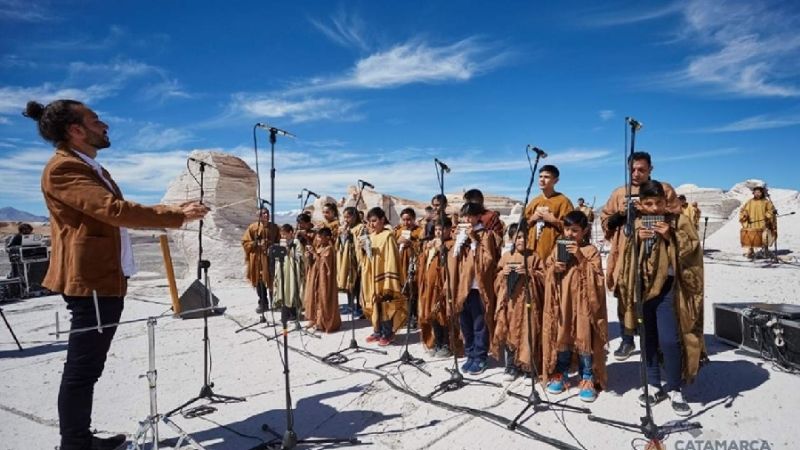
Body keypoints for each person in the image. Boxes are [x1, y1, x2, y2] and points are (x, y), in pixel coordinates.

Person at [25, 99, 208, 450]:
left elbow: (117, 211)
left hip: (104, 279)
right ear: (75, 131)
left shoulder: (88, 166)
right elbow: (113, 211)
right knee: (83, 369)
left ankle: (79, 439)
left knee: (88, 367)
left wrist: (174, 211)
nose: (104, 125)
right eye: (95, 120)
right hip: (91, 282)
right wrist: (176, 216)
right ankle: (75, 444)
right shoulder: (64, 169)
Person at [616, 180, 705, 417]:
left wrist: (670, 237)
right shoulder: (636, 224)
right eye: (649, 204)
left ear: (666, 202)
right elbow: (627, 259)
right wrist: (637, 240)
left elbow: (693, 252)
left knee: (669, 340)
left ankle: (675, 388)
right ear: (642, 205)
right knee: (648, 339)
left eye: (658, 203)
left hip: (668, 290)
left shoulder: (679, 221)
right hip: (643, 290)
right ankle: (654, 385)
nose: (654, 209)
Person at [600, 151, 680, 361]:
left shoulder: (663, 189)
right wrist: (621, 214)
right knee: (626, 294)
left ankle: (658, 344)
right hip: (626, 253)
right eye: (632, 170)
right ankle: (627, 339)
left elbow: (676, 217)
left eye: (641, 170)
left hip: (656, 253)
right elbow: (606, 222)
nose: (636, 174)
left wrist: (648, 212)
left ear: (651, 169)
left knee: (655, 295)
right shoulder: (620, 193)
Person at [541, 211, 608, 403]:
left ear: (584, 230)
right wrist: (555, 269)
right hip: (563, 302)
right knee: (563, 336)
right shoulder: (557, 248)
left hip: (584, 304)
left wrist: (579, 256)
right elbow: (547, 269)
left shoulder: (591, 250)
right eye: (567, 229)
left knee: (584, 336)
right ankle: (561, 372)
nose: (570, 234)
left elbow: (597, 277)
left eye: (575, 231)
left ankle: (587, 376)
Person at [491, 223, 545, 382]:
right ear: (511, 238)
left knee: (529, 333)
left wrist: (530, 273)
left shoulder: (534, 256)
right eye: (518, 237)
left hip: (528, 303)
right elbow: (496, 277)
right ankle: (511, 366)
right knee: (510, 333)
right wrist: (503, 274)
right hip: (510, 304)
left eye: (524, 237)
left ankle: (528, 367)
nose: (521, 240)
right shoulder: (506, 256)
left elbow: (544, 277)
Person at [451, 202, 500, 375]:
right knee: (465, 323)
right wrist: (456, 242)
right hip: (463, 287)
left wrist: (474, 240)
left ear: (479, 216)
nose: (466, 220)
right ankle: (470, 353)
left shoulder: (486, 235)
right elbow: (454, 262)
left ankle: (480, 357)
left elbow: (488, 261)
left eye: (470, 216)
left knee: (480, 323)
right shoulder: (460, 235)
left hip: (478, 287)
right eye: (464, 216)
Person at [360, 207, 407, 346]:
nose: (372, 224)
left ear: (382, 220)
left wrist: (389, 281)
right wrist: (363, 250)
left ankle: (387, 333)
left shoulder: (388, 236)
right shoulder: (372, 236)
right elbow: (367, 259)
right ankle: (377, 330)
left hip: (385, 277)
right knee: (375, 304)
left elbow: (391, 258)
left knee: (386, 305)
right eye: (370, 222)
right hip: (372, 276)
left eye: (374, 221)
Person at [417, 217, 460, 357]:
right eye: (436, 229)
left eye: (441, 229)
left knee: (443, 315)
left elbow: (451, 264)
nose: (438, 232)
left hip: (442, 287)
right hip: (430, 287)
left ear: (448, 230)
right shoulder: (431, 243)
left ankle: (447, 345)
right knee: (433, 315)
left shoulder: (452, 244)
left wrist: (441, 248)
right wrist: (426, 250)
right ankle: (438, 342)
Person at [524, 165, 574, 260]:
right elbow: (523, 226)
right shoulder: (534, 201)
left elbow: (572, 228)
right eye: (540, 176)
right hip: (533, 252)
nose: (542, 180)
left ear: (556, 180)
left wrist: (553, 220)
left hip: (554, 251)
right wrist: (532, 219)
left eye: (546, 177)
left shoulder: (563, 201)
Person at [242, 208, 280, 314]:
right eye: (264, 213)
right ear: (259, 216)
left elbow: (278, 241)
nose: (266, 215)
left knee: (273, 279)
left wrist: (271, 245)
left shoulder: (274, 227)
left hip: (270, 258)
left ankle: (275, 302)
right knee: (259, 280)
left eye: (267, 213)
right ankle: (263, 303)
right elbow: (245, 242)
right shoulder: (253, 227)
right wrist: (256, 244)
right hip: (258, 258)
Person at [303, 227, 341, 332]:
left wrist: (314, 253)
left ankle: (322, 321)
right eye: (318, 236)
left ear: (327, 237)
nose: (318, 239)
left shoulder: (329, 249)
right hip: (315, 277)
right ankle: (314, 319)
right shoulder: (319, 247)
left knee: (323, 298)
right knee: (313, 297)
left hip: (324, 279)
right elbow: (313, 263)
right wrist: (309, 256)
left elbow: (325, 265)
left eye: (320, 237)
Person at [395, 208, 423, 328]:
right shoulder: (398, 231)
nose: (406, 222)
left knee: (413, 291)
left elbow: (422, 248)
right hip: (400, 264)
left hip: (413, 265)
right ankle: (404, 316)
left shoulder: (419, 231)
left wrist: (411, 243)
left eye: (409, 219)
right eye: (404, 220)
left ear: (413, 219)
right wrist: (397, 242)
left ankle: (414, 317)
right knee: (403, 291)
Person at [336, 206, 365, 317]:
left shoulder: (361, 227)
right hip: (346, 260)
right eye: (344, 217)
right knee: (348, 285)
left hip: (356, 261)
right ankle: (349, 305)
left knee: (357, 284)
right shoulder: (344, 228)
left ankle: (359, 307)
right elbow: (339, 245)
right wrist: (342, 235)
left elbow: (361, 243)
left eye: (348, 217)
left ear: (354, 216)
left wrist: (351, 236)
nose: (346, 220)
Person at [273, 224, 305, 323]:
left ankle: (294, 313)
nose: (283, 237)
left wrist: (289, 251)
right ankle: (285, 313)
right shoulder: (282, 242)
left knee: (292, 290)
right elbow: (278, 257)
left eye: (285, 234)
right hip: (283, 269)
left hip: (292, 271)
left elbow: (300, 256)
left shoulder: (296, 242)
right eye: (281, 235)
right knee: (283, 290)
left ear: (291, 233)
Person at [738, 186, 775, 259]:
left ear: (762, 193)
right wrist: (745, 215)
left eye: (759, 192)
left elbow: (771, 210)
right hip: (752, 222)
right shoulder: (750, 202)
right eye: (756, 192)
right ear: (753, 193)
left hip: (763, 222)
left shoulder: (766, 202)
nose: (757, 194)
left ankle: (765, 250)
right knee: (751, 236)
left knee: (764, 237)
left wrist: (767, 216)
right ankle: (750, 251)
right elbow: (743, 210)